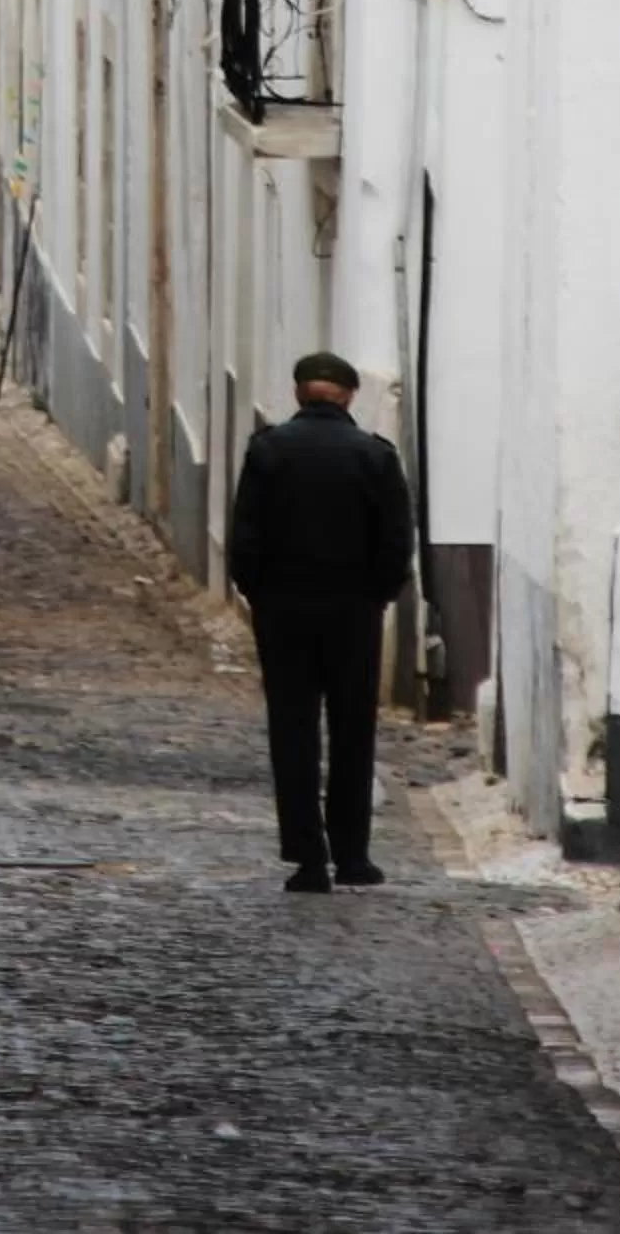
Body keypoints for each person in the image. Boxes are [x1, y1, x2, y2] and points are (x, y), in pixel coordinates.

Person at [228, 352, 415, 895]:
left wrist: (260, 593)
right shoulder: (375, 457)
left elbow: (246, 540)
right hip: (353, 612)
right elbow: (395, 543)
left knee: (293, 730)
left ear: (297, 394)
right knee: (353, 731)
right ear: (350, 396)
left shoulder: (267, 452)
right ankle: (353, 856)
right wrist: (376, 596)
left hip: (283, 612)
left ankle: (308, 857)